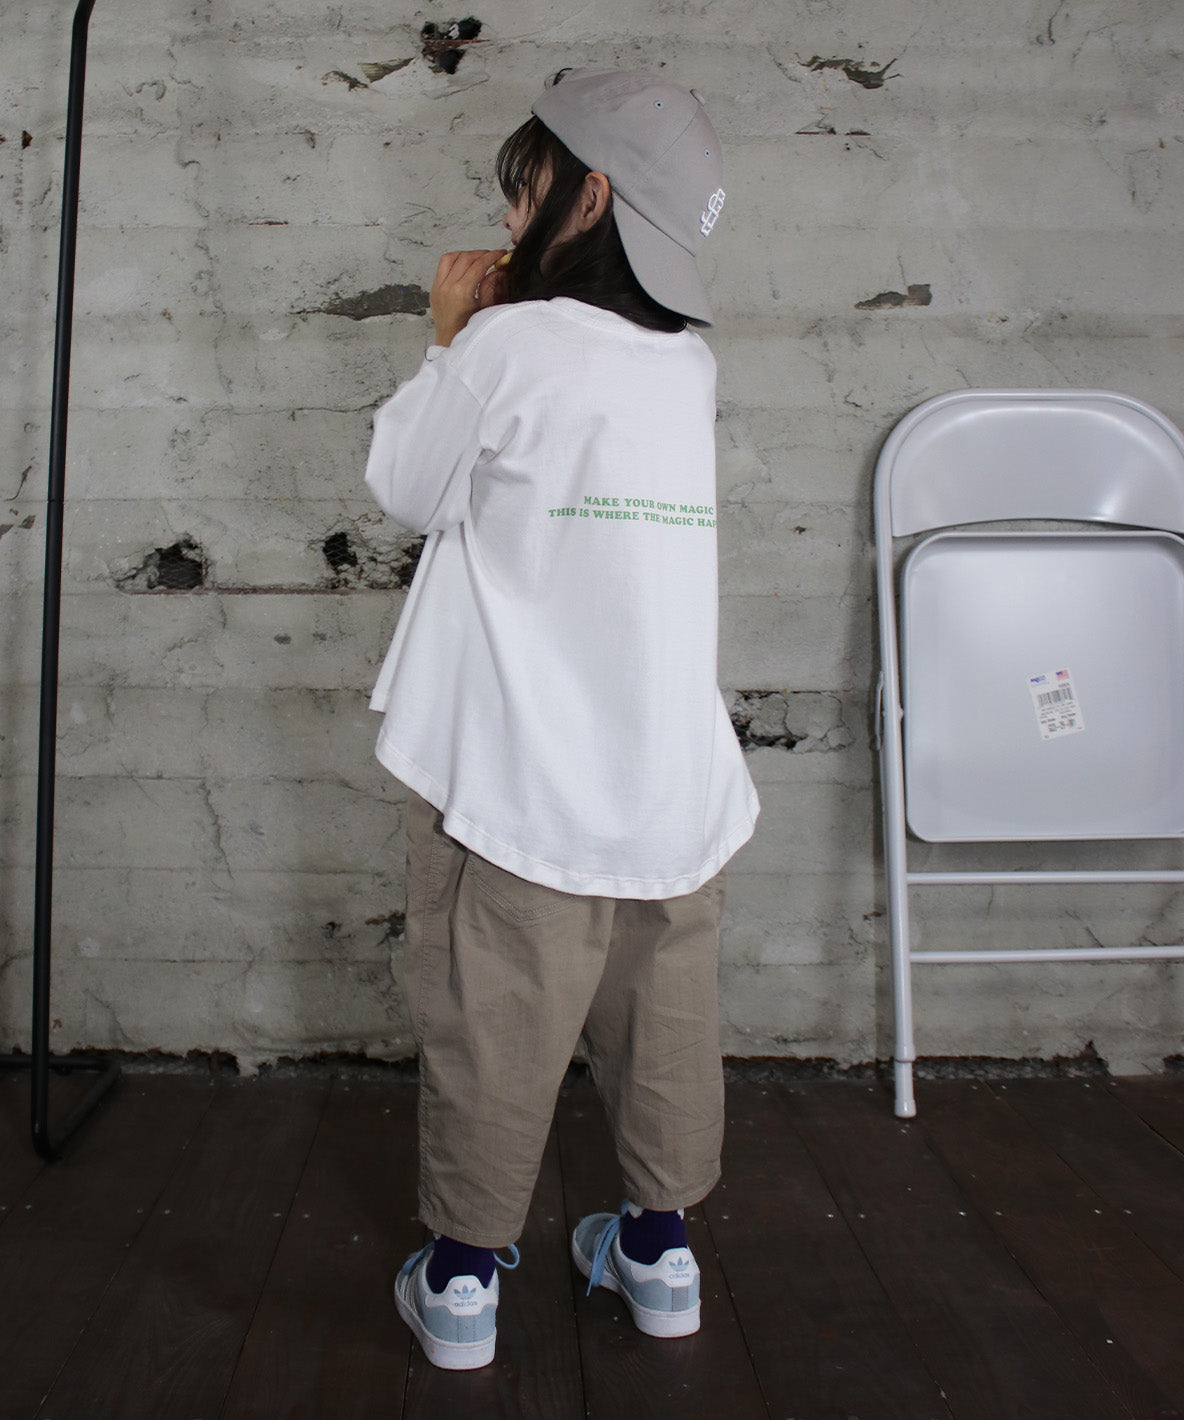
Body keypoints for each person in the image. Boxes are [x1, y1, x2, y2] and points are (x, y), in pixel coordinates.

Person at [364, 67, 759, 1371]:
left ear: (588, 197)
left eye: (523, 185)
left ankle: (462, 1288)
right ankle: (661, 1259)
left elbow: (407, 486)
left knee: (496, 1023)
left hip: (523, 781)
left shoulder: (507, 345)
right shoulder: (688, 364)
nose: (509, 210)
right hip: (671, 786)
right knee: (664, 1024)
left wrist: (446, 333)